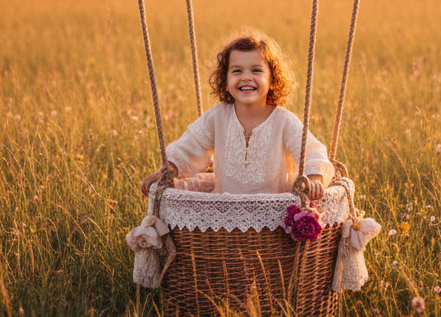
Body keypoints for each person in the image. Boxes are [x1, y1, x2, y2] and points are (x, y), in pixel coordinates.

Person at [140, 32, 334, 199]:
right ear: (225, 80)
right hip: (226, 214)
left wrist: (314, 177)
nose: (246, 77)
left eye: (256, 70)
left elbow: (311, 150)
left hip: (274, 214)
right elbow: (190, 145)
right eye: (237, 71)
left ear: (272, 79)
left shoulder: (284, 121)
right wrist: (169, 170)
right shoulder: (217, 117)